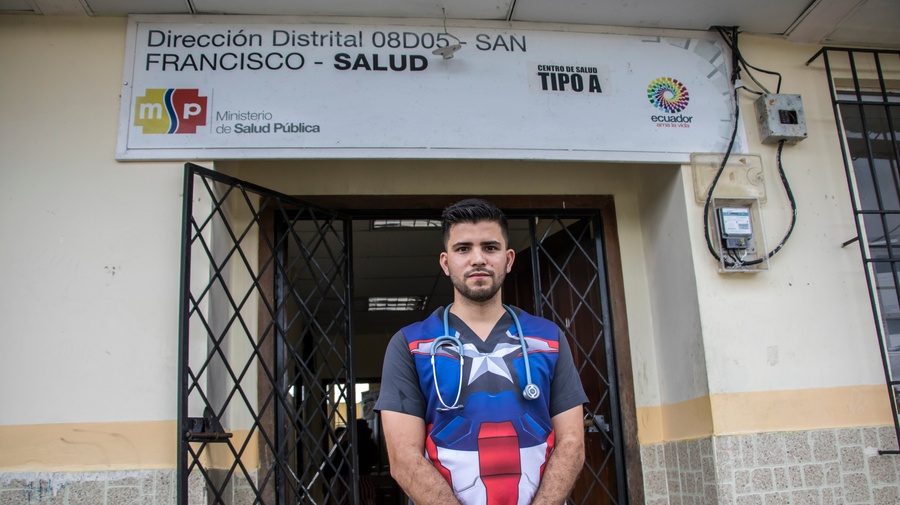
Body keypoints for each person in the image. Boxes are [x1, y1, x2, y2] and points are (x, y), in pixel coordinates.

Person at [375, 198, 587, 505]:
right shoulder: (410, 344)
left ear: (509, 259)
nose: (478, 259)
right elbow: (404, 459)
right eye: (463, 249)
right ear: (446, 262)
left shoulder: (549, 338)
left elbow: (572, 443)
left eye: (490, 247)